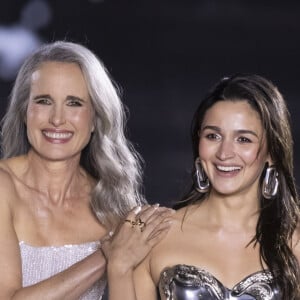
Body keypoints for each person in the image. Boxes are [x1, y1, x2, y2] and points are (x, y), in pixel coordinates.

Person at [0, 40, 173, 299]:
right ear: (25, 112)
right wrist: (108, 254)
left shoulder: (114, 207)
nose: (57, 119)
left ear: (95, 118)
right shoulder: (3, 186)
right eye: (44, 101)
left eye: (74, 103)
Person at [133, 74, 300, 299]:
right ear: (198, 142)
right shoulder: (156, 235)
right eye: (213, 136)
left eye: (244, 139)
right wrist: (117, 266)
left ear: (271, 153)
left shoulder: (294, 240)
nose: (224, 153)